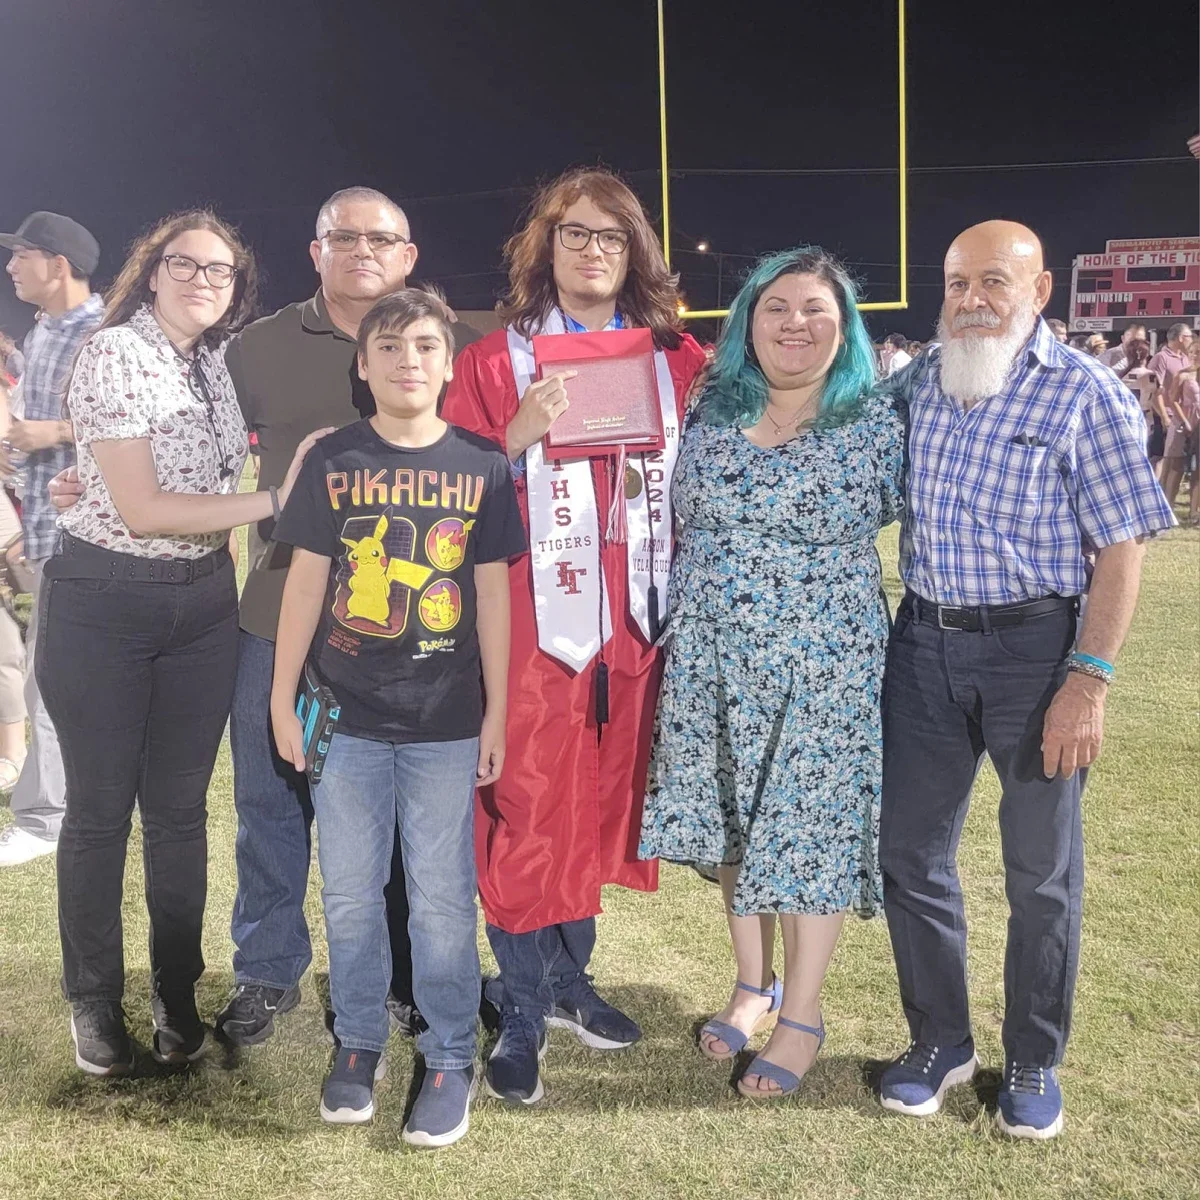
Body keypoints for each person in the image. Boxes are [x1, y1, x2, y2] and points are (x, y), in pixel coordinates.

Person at [876, 220, 1174, 1140]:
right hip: (922, 644)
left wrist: (1089, 679)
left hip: (1036, 654)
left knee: (1039, 872)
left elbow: (1120, 548)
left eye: (994, 283)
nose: (972, 300)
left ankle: (1035, 1055)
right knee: (909, 857)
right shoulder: (921, 383)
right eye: (958, 281)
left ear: (1040, 291)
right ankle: (941, 1041)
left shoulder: (1082, 393)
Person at [38, 210, 328, 1076]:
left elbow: (172, 473)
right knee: (97, 814)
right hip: (106, 601)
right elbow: (144, 509)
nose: (204, 281)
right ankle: (93, 1003)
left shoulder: (210, 364)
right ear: (152, 270)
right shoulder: (120, 349)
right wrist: (279, 500)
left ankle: (173, 989)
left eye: (222, 271)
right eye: (186, 265)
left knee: (178, 816)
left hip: (202, 601)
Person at [441, 167, 707, 1105]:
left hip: (635, 630)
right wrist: (510, 436)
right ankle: (517, 1002)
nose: (592, 252)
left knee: (597, 806)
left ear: (635, 253)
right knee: (525, 803)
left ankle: (568, 980)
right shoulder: (491, 363)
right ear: (543, 247)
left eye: (611, 237)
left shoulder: (678, 363)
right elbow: (448, 495)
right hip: (530, 627)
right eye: (574, 234)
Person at [639, 247, 903, 1098]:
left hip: (826, 657)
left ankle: (805, 1015)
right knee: (733, 818)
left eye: (816, 308)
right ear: (749, 320)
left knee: (807, 826)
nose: (795, 322)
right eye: (776, 306)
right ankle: (754, 985)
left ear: (845, 324)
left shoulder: (880, 416)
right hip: (714, 649)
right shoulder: (707, 404)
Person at [271, 288, 524, 1145]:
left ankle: (451, 1052)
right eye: (390, 347)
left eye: (424, 345)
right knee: (347, 892)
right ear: (363, 363)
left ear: (448, 362)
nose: (407, 360)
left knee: (443, 898)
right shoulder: (335, 459)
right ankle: (359, 1042)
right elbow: (305, 582)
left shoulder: (485, 463)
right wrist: (281, 697)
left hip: (445, 720)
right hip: (344, 714)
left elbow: (492, 597)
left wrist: (498, 710)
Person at [0, 211, 102, 867]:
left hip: (80, 538)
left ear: (58, 265)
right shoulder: (41, 333)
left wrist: (49, 434)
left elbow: (127, 423)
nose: (12, 267)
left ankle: (45, 819)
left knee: (55, 684)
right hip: (41, 536)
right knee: (53, 678)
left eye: (24, 255)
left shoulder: (98, 332)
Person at [1160, 339, 1200, 518]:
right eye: (1193, 352)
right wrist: (1185, 422)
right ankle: (1167, 508)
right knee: (1176, 467)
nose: (1196, 356)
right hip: (1183, 421)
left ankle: (1194, 511)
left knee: (1197, 470)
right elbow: (1173, 400)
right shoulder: (1183, 375)